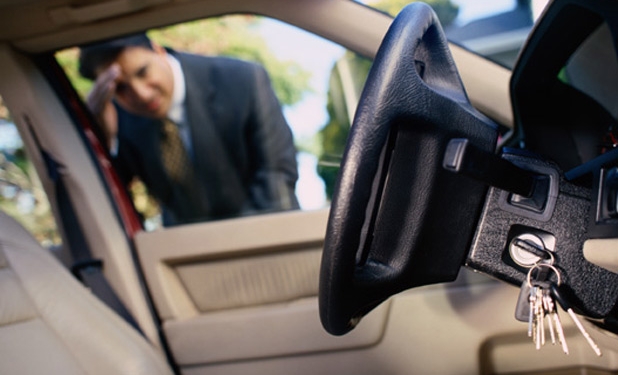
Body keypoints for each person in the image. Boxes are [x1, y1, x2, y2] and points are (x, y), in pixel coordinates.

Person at [79, 34, 300, 226]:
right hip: (184, 257)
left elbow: (276, 178)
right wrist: (103, 138)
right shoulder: (120, 118)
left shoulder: (243, 80)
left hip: (267, 240)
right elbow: (110, 201)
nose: (141, 94)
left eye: (143, 72)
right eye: (120, 88)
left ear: (158, 51)